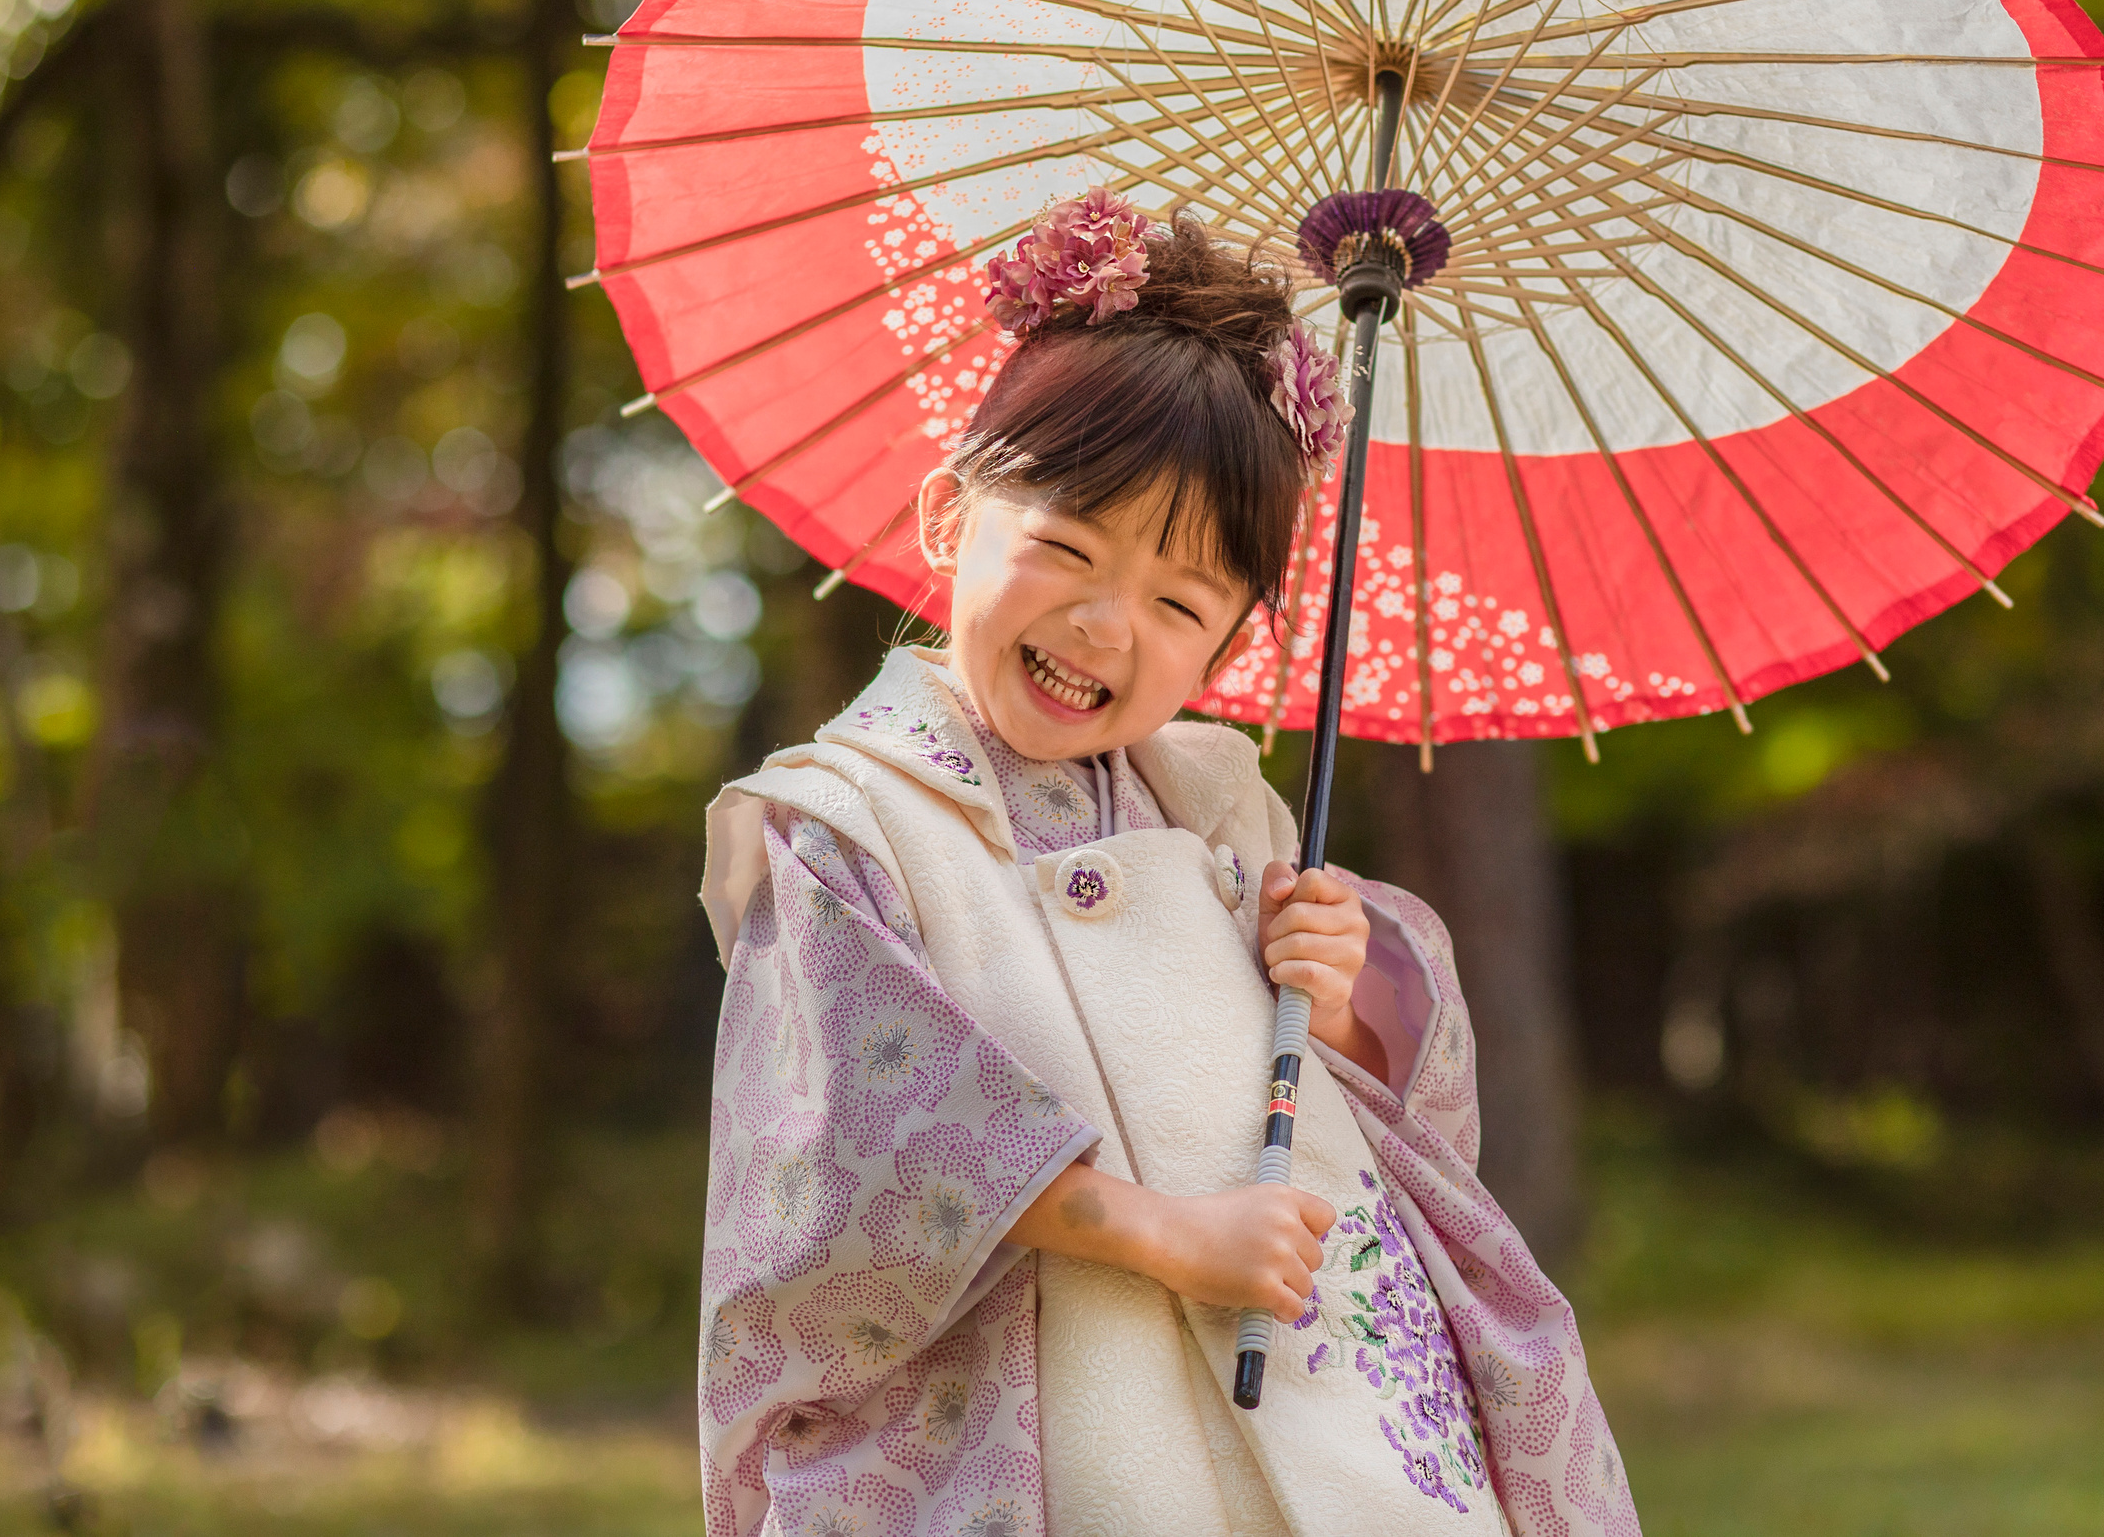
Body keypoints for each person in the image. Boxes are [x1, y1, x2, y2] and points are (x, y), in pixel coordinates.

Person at [693, 189, 1635, 1537]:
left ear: (1233, 647)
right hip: (1039, 1414)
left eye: (1178, 602)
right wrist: (1159, 1233)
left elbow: (1386, 1113)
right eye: (1066, 548)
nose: (1102, 625)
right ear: (951, 518)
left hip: (1301, 1395)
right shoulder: (848, 824)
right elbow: (858, 1144)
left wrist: (1345, 996)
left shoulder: (1227, 820)